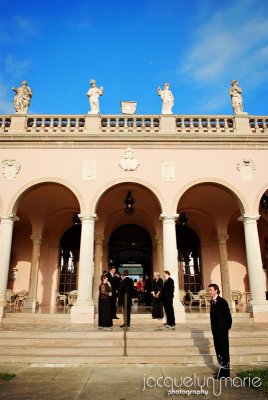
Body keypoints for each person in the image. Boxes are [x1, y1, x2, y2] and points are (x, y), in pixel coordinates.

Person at [208, 283, 232, 379]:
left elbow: (228, 316)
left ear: (216, 290)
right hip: (216, 331)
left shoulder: (222, 301)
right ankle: (221, 370)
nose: (209, 292)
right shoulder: (212, 301)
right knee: (218, 350)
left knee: (224, 351)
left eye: (210, 290)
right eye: (209, 290)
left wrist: (225, 328)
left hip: (222, 331)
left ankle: (225, 374)